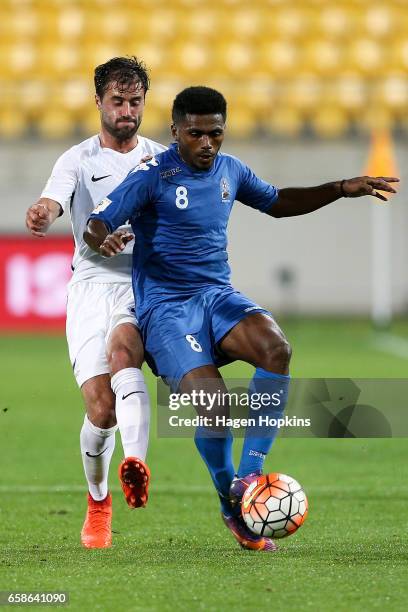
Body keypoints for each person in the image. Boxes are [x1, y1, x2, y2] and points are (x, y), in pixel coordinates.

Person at [84, 86, 398, 552]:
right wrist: (101, 237)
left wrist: (338, 189)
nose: (207, 143)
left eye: (216, 133)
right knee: (213, 404)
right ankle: (232, 503)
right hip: (167, 308)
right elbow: (99, 221)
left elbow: (277, 202)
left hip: (217, 296)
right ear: (175, 132)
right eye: (196, 134)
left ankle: (250, 474)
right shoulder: (151, 175)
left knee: (276, 348)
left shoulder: (231, 170)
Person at [25, 56, 166, 549]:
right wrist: (43, 212)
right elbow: (54, 200)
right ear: (99, 102)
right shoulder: (78, 160)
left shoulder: (160, 158)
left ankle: (136, 461)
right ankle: (99, 500)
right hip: (89, 287)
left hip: (141, 286)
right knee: (100, 408)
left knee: (125, 349)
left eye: (135, 101)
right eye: (117, 101)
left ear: (144, 102)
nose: (127, 110)